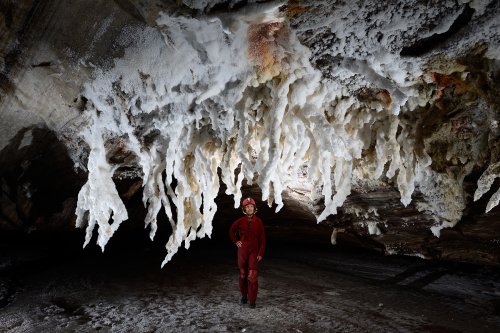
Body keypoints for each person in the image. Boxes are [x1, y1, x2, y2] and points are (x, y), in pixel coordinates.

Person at [229, 196, 266, 308]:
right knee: (243, 274)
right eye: (247, 207)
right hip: (242, 252)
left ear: (254, 208)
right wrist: (236, 241)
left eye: (251, 206)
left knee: (252, 276)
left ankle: (252, 301)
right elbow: (231, 231)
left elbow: (262, 239)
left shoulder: (259, 222)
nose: (249, 208)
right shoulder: (240, 221)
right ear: (244, 209)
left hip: (254, 252)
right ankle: (244, 296)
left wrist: (260, 253)